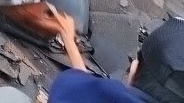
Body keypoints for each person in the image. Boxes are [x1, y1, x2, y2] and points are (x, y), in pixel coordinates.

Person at [47, 11, 184, 103]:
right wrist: (70, 42)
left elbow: (76, 88)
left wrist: (67, 37)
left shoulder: (67, 90)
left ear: (134, 69)